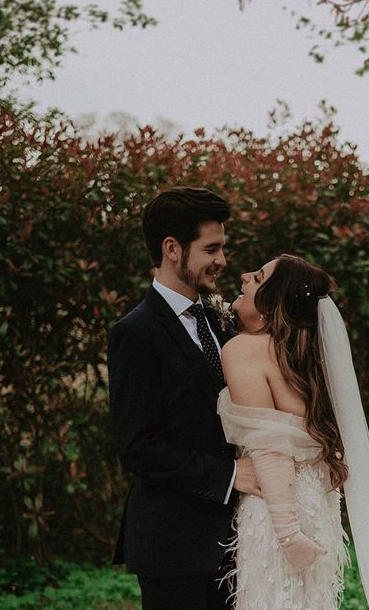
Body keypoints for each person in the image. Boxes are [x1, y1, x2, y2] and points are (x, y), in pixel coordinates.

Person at [218, 254, 369, 609]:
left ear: (270, 305)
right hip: (318, 504)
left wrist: (288, 533)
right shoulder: (307, 359)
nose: (244, 277)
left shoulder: (243, 350)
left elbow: (268, 448)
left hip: (277, 512)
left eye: (257, 278)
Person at [108, 187, 261, 610]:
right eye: (211, 248)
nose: (223, 261)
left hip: (235, 541)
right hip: (172, 546)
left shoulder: (220, 318)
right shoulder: (136, 333)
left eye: (223, 248)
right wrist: (230, 475)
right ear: (172, 248)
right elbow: (138, 447)